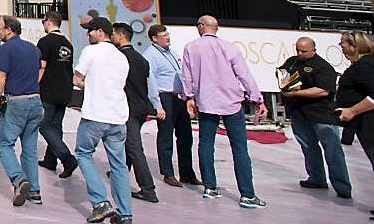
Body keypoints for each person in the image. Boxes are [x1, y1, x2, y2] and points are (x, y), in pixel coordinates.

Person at [181, 15, 267, 209]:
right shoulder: (230, 47)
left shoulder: (191, 47)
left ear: (202, 27)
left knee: (205, 144)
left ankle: (209, 187)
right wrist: (257, 98)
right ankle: (247, 194)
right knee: (239, 148)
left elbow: (187, 76)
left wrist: (189, 97)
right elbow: (244, 74)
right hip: (231, 102)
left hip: (206, 102)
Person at [73, 17, 133, 224]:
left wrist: (88, 86)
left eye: (90, 30)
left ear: (100, 32)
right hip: (117, 116)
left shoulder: (91, 51)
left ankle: (100, 202)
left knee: (83, 153)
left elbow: (77, 78)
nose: (88, 34)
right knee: (119, 164)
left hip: (95, 114)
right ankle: (125, 213)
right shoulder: (121, 57)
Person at [278, 36, 351, 198]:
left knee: (332, 150)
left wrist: (296, 92)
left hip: (321, 114)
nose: (300, 53)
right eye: (297, 50)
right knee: (308, 146)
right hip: (299, 112)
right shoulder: (292, 62)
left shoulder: (323, 67)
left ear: (313, 50)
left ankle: (342, 186)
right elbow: (283, 74)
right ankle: (316, 178)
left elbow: (324, 90)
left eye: (304, 51)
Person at [0, 16, 45, 207]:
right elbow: (39, 70)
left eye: (0, 28)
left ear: (10, 30)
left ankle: (18, 179)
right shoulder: (33, 48)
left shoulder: (6, 49)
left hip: (16, 101)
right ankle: (35, 191)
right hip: (35, 100)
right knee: (30, 148)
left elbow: (1, 77)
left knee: (5, 145)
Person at [113, 22, 165, 204]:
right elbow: (150, 85)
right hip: (141, 106)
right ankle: (118, 172)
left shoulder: (118, 58)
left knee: (135, 147)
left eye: (113, 35)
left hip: (128, 107)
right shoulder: (142, 59)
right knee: (130, 142)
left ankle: (148, 188)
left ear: (120, 36)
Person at [143, 24, 200, 188]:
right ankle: (167, 173)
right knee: (166, 135)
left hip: (179, 97)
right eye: (164, 35)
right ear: (154, 38)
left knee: (185, 136)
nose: (168, 37)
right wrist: (157, 104)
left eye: (168, 34)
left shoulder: (172, 52)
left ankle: (187, 173)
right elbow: (151, 82)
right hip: (165, 97)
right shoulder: (150, 55)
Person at [335, 31, 374, 223]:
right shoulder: (369, 63)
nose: (341, 47)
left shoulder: (365, 66)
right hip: (370, 125)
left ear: (354, 46)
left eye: (343, 44)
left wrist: (353, 110)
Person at [36, 11, 78, 178]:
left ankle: (67, 159)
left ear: (48, 22)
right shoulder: (67, 43)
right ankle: (50, 159)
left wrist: (33, 85)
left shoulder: (45, 42)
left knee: (44, 126)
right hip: (65, 90)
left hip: (49, 90)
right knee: (56, 125)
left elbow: (42, 66)